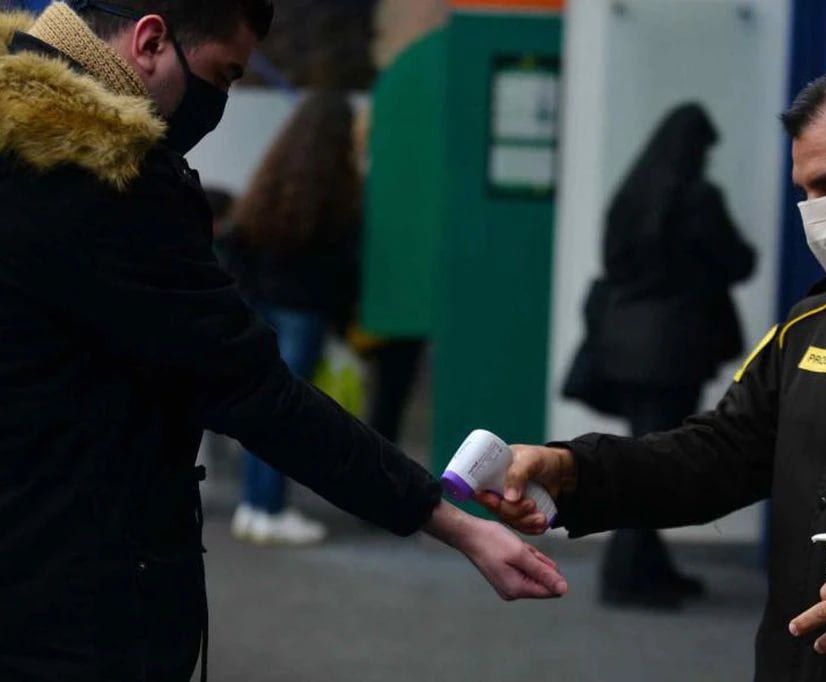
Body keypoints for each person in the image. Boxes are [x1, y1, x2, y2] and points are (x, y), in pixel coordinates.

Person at [0, 3, 567, 680]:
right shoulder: (103, 181)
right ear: (151, 39)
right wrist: (454, 524)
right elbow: (255, 392)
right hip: (71, 602)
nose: (220, 102)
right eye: (223, 74)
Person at [480, 54, 826, 680]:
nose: (816, 215)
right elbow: (719, 454)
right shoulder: (818, 317)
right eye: (806, 193)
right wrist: (574, 470)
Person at [564, 103, 755, 609]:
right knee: (655, 463)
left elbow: (612, 261)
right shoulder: (697, 198)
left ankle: (650, 567)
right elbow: (737, 261)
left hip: (623, 344)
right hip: (674, 348)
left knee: (643, 453)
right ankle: (625, 576)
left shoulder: (630, 194)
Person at [219, 92, 362, 546]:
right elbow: (343, 264)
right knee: (289, 416)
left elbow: (239, 240)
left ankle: (253, 506)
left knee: (263, 409)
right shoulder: (338, 189)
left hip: (263, 306)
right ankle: (272, 508)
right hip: (306, 312)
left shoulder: (273, 174)